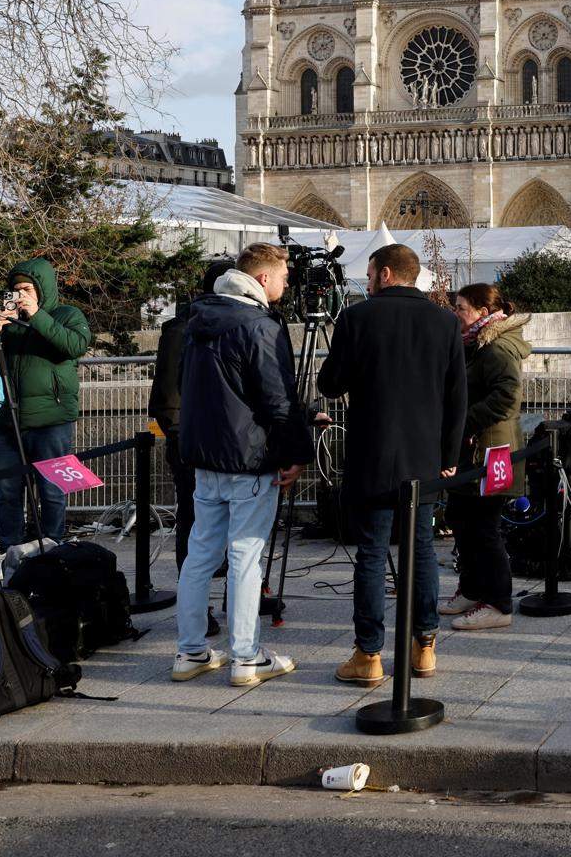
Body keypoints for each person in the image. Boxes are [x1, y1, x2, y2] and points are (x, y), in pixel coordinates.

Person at [317, 243, 466, 686]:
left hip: (372, 455)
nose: (366, 281)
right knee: (421, 552)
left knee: (371, 554)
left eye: (368, 273)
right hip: (426, 459)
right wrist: (450, 458)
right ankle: (424, 647)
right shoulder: (444, 322)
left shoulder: (358, 318)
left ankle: (369, 655)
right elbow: (457, 397)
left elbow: (330, 383)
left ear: (384, 274)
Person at [170, 244, 316, 687]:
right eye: (285, 277)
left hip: (204, 457)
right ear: (264, 279)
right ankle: (247, 656)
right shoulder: (259, 327)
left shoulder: (198, 321)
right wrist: (297, 454)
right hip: (249, 460)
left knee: (199, 556)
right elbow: (276, 400)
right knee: (246, 559)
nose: (288, 285)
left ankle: (191, 651)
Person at [442, 283, 530, 631]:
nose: (455, 313)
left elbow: (507, 397)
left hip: (490, 450)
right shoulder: (477, 344)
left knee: (484, 528)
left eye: (461, 308)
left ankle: (498, 603)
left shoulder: (495, 349)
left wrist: (463, 420)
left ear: (481, 312)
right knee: (461, 517)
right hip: (475, 449)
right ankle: (474, 588)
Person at [0, 258, 92, 552]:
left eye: (27, 288)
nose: (20, 294)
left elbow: (75, 346)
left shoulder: (66, 314)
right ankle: (8, 550)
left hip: (51, 419)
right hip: (9, 418)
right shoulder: (8, 322)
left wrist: (36, 316)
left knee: (52, 489)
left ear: (42, 289)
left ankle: (52, 545)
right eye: (16, 289)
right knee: (7, 490)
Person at [149, 258, 236, 571]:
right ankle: (197, 601)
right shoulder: (183, 329)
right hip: (190, 439)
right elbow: (168, 392)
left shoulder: (221, 322)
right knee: (193, 517)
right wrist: (175, 434)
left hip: (215, 437)